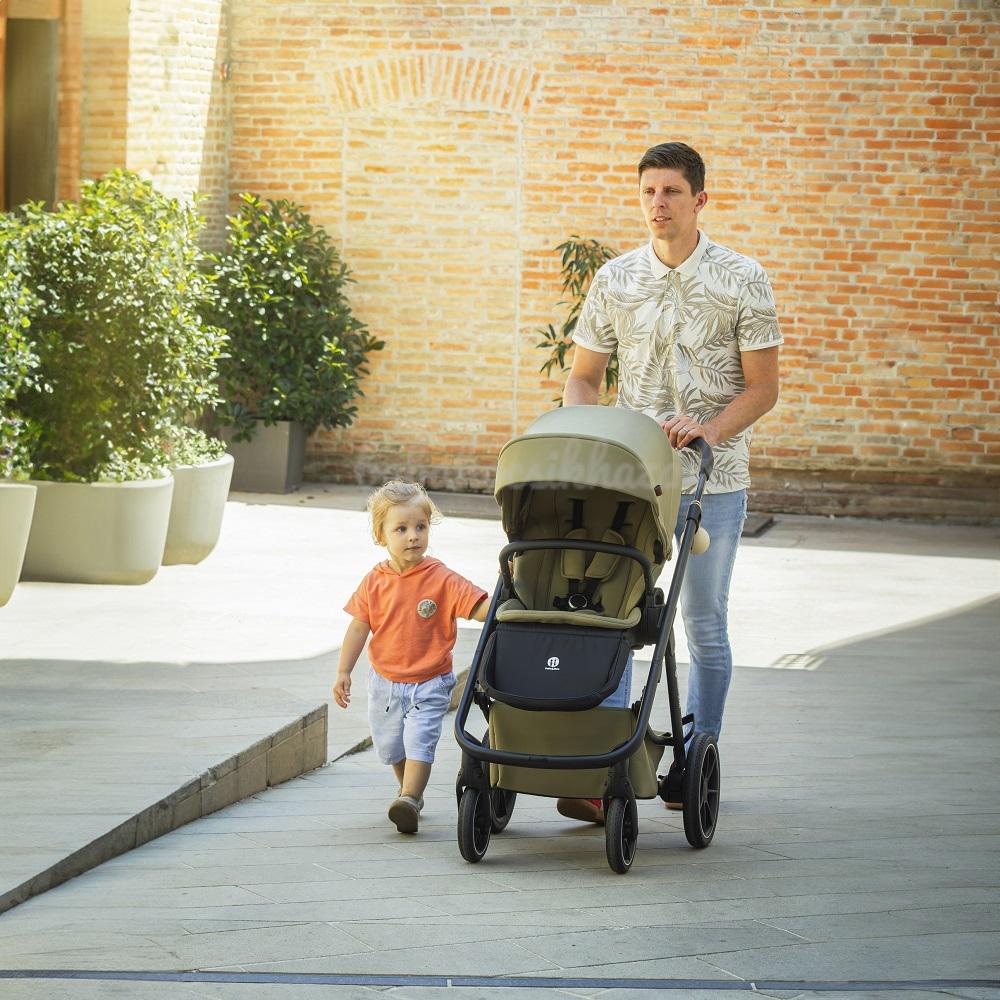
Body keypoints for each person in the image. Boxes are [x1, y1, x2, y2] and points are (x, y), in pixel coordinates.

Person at [557, 141, 782, 825]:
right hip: (633, 481)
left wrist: (709, 430)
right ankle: (602, 766)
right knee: (612, 613)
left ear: (699, 199)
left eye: (672, 192)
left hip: (715, 481)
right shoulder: (615, 278)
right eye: (649, 191)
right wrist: (588, 433)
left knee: (703, 621)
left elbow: (763, 388)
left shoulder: (743, 277)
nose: (658, 204)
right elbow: (583, 376)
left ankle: (695, 758)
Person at [333, 481, 488, 834]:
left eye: (420, 526)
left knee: (420, 740)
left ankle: (410, 799)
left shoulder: (441, 577)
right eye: (401, 529)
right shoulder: (374, 581)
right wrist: (344, 671)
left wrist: (504, 595)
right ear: (381, 536)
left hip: (430, 681)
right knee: (391, 745)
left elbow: (479, 607)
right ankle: (407, 791)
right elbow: (358, 628)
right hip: (385, 682)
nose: (413, 536)